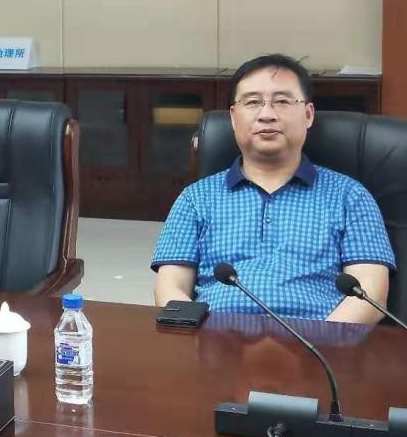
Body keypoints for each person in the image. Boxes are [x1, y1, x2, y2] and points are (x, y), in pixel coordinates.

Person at [152, 53, 395, 324]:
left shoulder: (350, 197)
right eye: (252, 102)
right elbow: (170, 289)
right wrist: (207, 340)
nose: (267, 114)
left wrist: (319, 343)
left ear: (308, 115)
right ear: (233, 117)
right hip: (218, 341)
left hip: (317, 342)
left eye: (282, 101)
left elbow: (370, 294)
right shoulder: (195, 198)